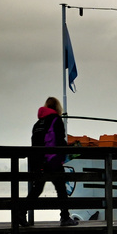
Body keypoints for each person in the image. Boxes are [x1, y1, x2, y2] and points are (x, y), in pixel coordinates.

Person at [20, 97, 76, 226]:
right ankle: (65, 217)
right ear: (57, 108)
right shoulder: (56, 120)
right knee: (61, 189)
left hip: (39, 162)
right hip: (53, 161)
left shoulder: (38, 124)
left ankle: (21, 212)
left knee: (37, 189)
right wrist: (68, 150)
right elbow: (60, 141)